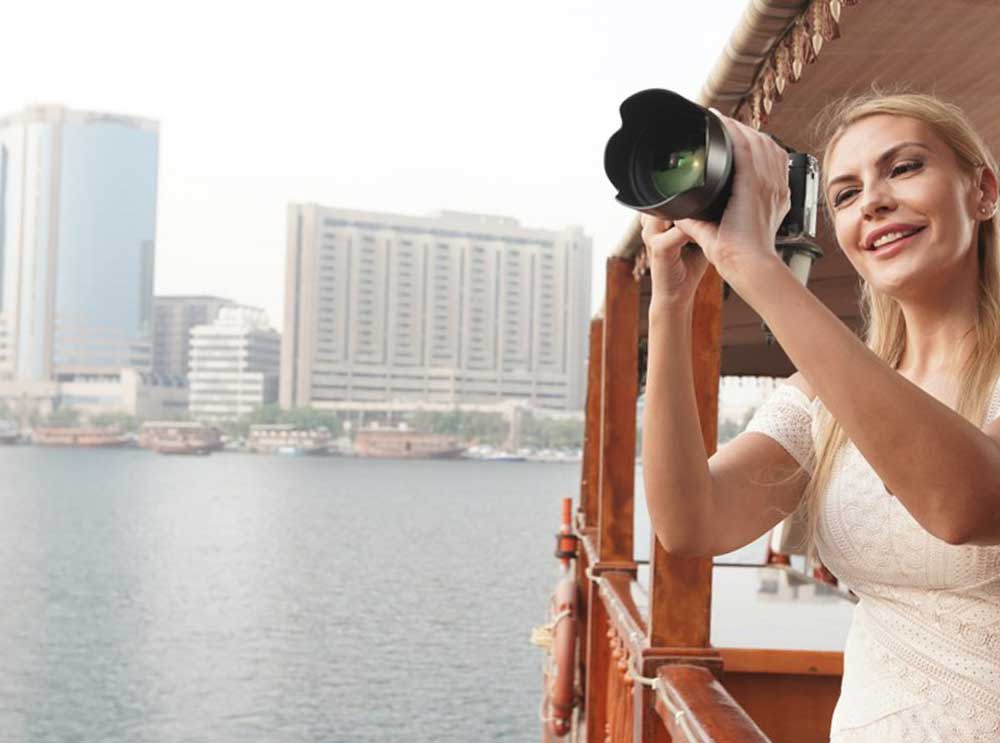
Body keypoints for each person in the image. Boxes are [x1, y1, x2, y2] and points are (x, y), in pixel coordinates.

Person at [639, 91, 1000, 742]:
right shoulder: (823, 397)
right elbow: (691, 522)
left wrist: (755, 265)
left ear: (984, 190)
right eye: (844, 193)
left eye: (905, 167)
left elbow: (962, 505)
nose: (874, 201)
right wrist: (670, 302)